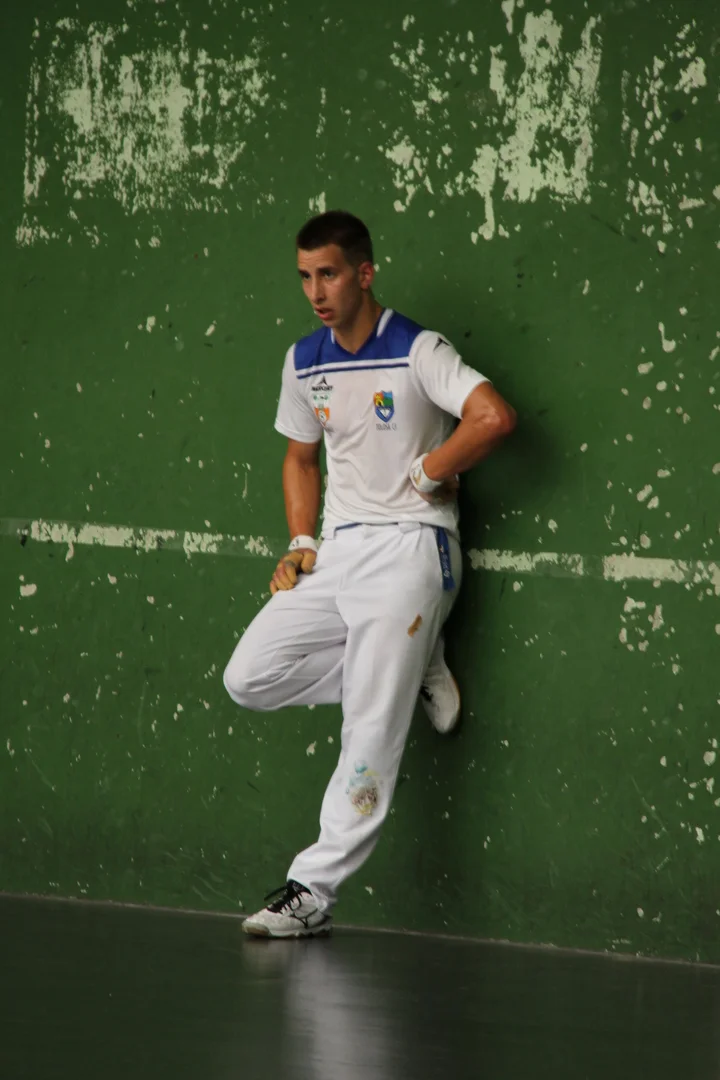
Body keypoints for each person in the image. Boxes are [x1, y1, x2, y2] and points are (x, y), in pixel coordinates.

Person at [223, 210, 516, 938]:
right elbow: (300, 457)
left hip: (414, 548)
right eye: (304, 277)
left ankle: (312, 892)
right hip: (339, 552)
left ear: (364, 272)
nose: (315, 292)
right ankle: (410, 661)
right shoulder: (304, 361)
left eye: (328, 274)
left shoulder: (418, 349)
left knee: (369, 725)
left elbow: (493, 418)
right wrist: (300, 541)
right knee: (247, 678)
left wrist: (431, 470)